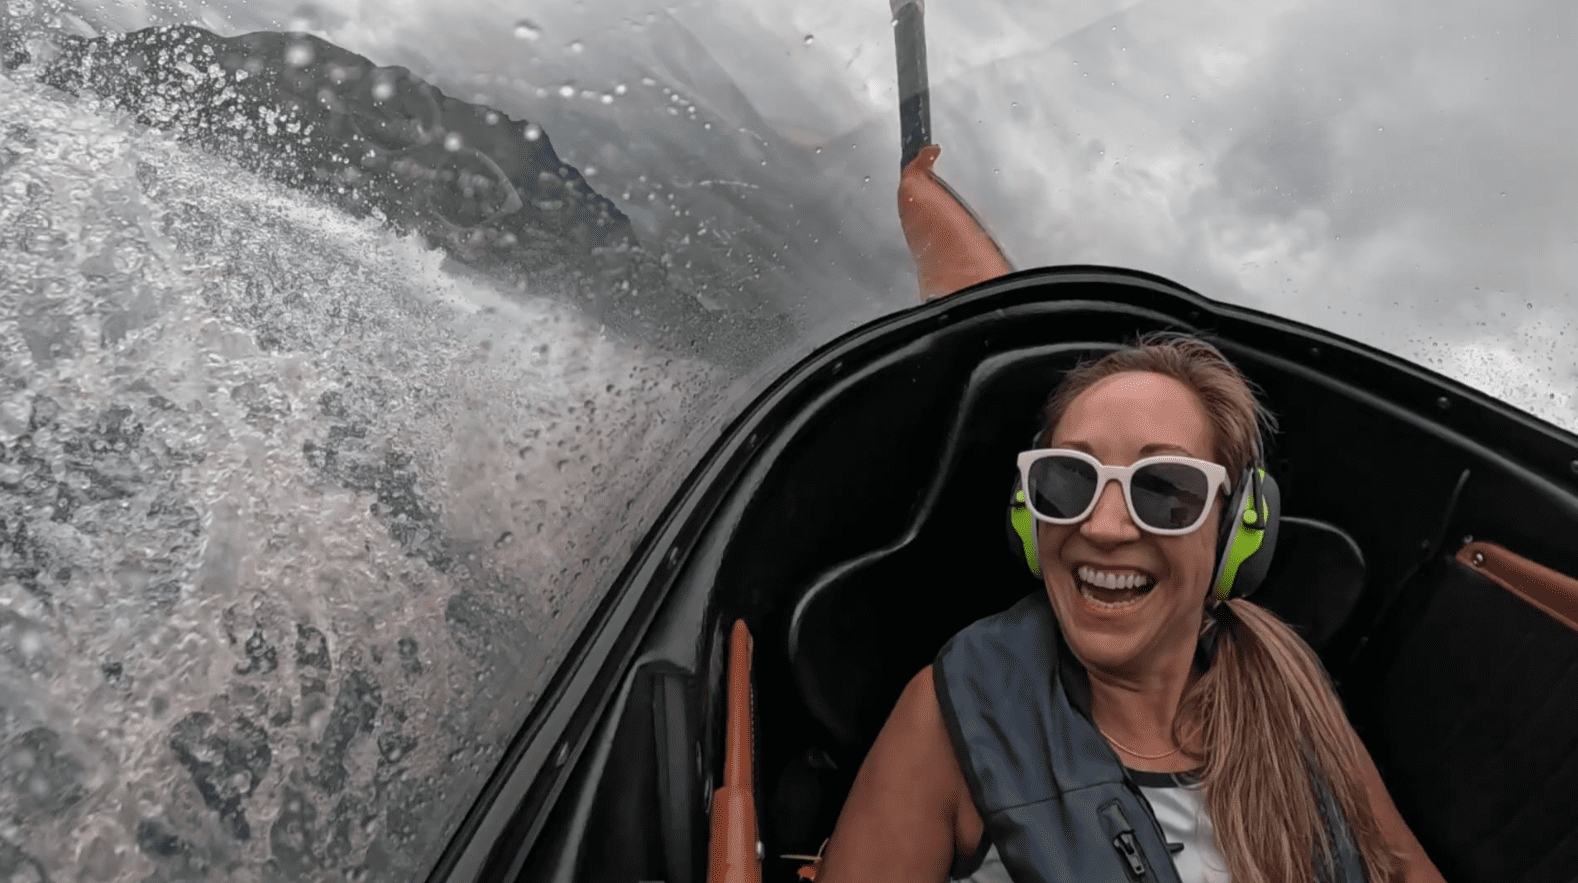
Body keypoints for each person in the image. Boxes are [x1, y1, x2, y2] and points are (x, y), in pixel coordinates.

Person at [809, 333, 1448, 883]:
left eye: (1166, 490)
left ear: (1234, 535)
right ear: (1028, 517)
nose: (1106, 527)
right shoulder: (951, 720)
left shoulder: (1297, 700)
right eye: (1067, 481)